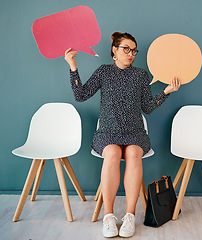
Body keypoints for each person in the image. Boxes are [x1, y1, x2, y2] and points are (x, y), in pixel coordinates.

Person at [64, 32, 181, 238]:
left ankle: (129, 216)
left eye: (134, 50)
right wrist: (72, 65)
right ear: (114, 51)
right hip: (107, 133)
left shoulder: (140, 75)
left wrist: (166, 92)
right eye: (126, 49)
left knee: (134, 155)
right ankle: (108, 216)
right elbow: (80, 95)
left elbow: (147, 107)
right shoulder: (104, 72)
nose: (131, 54)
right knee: (111, 154)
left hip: (135, 133)